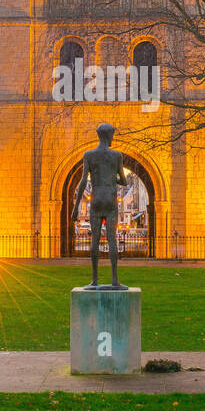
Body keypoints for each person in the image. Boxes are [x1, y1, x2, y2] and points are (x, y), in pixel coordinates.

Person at [70, 123, 127, 289]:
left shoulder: (89, 155)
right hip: (110, 198)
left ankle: (94, 280)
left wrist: (75, 208)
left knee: (94, 240)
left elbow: (82, 182)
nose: (113, 138)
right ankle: (115, 280)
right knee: (112, 239)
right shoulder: (117, 155)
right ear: (108, 135)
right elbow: (123, 180)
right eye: (112, 134)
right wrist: (111, 179)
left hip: (96, 198)